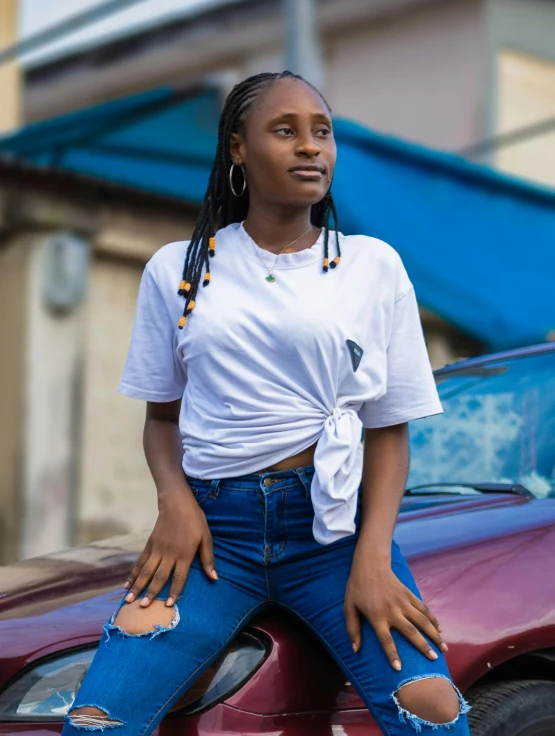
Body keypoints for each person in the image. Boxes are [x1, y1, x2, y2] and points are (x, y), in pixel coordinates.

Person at [63, 71, 471, 735]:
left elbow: (388, 430)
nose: (311, 147)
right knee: (96, 720)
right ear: (237, 150)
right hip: (211, 537)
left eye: (321, 132)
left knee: (432, 715)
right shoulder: (179, 270)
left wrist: (371, 557)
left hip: (334, 532)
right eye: (285, 131)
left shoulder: (371, 266)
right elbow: (160, 419)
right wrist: (174, 502)